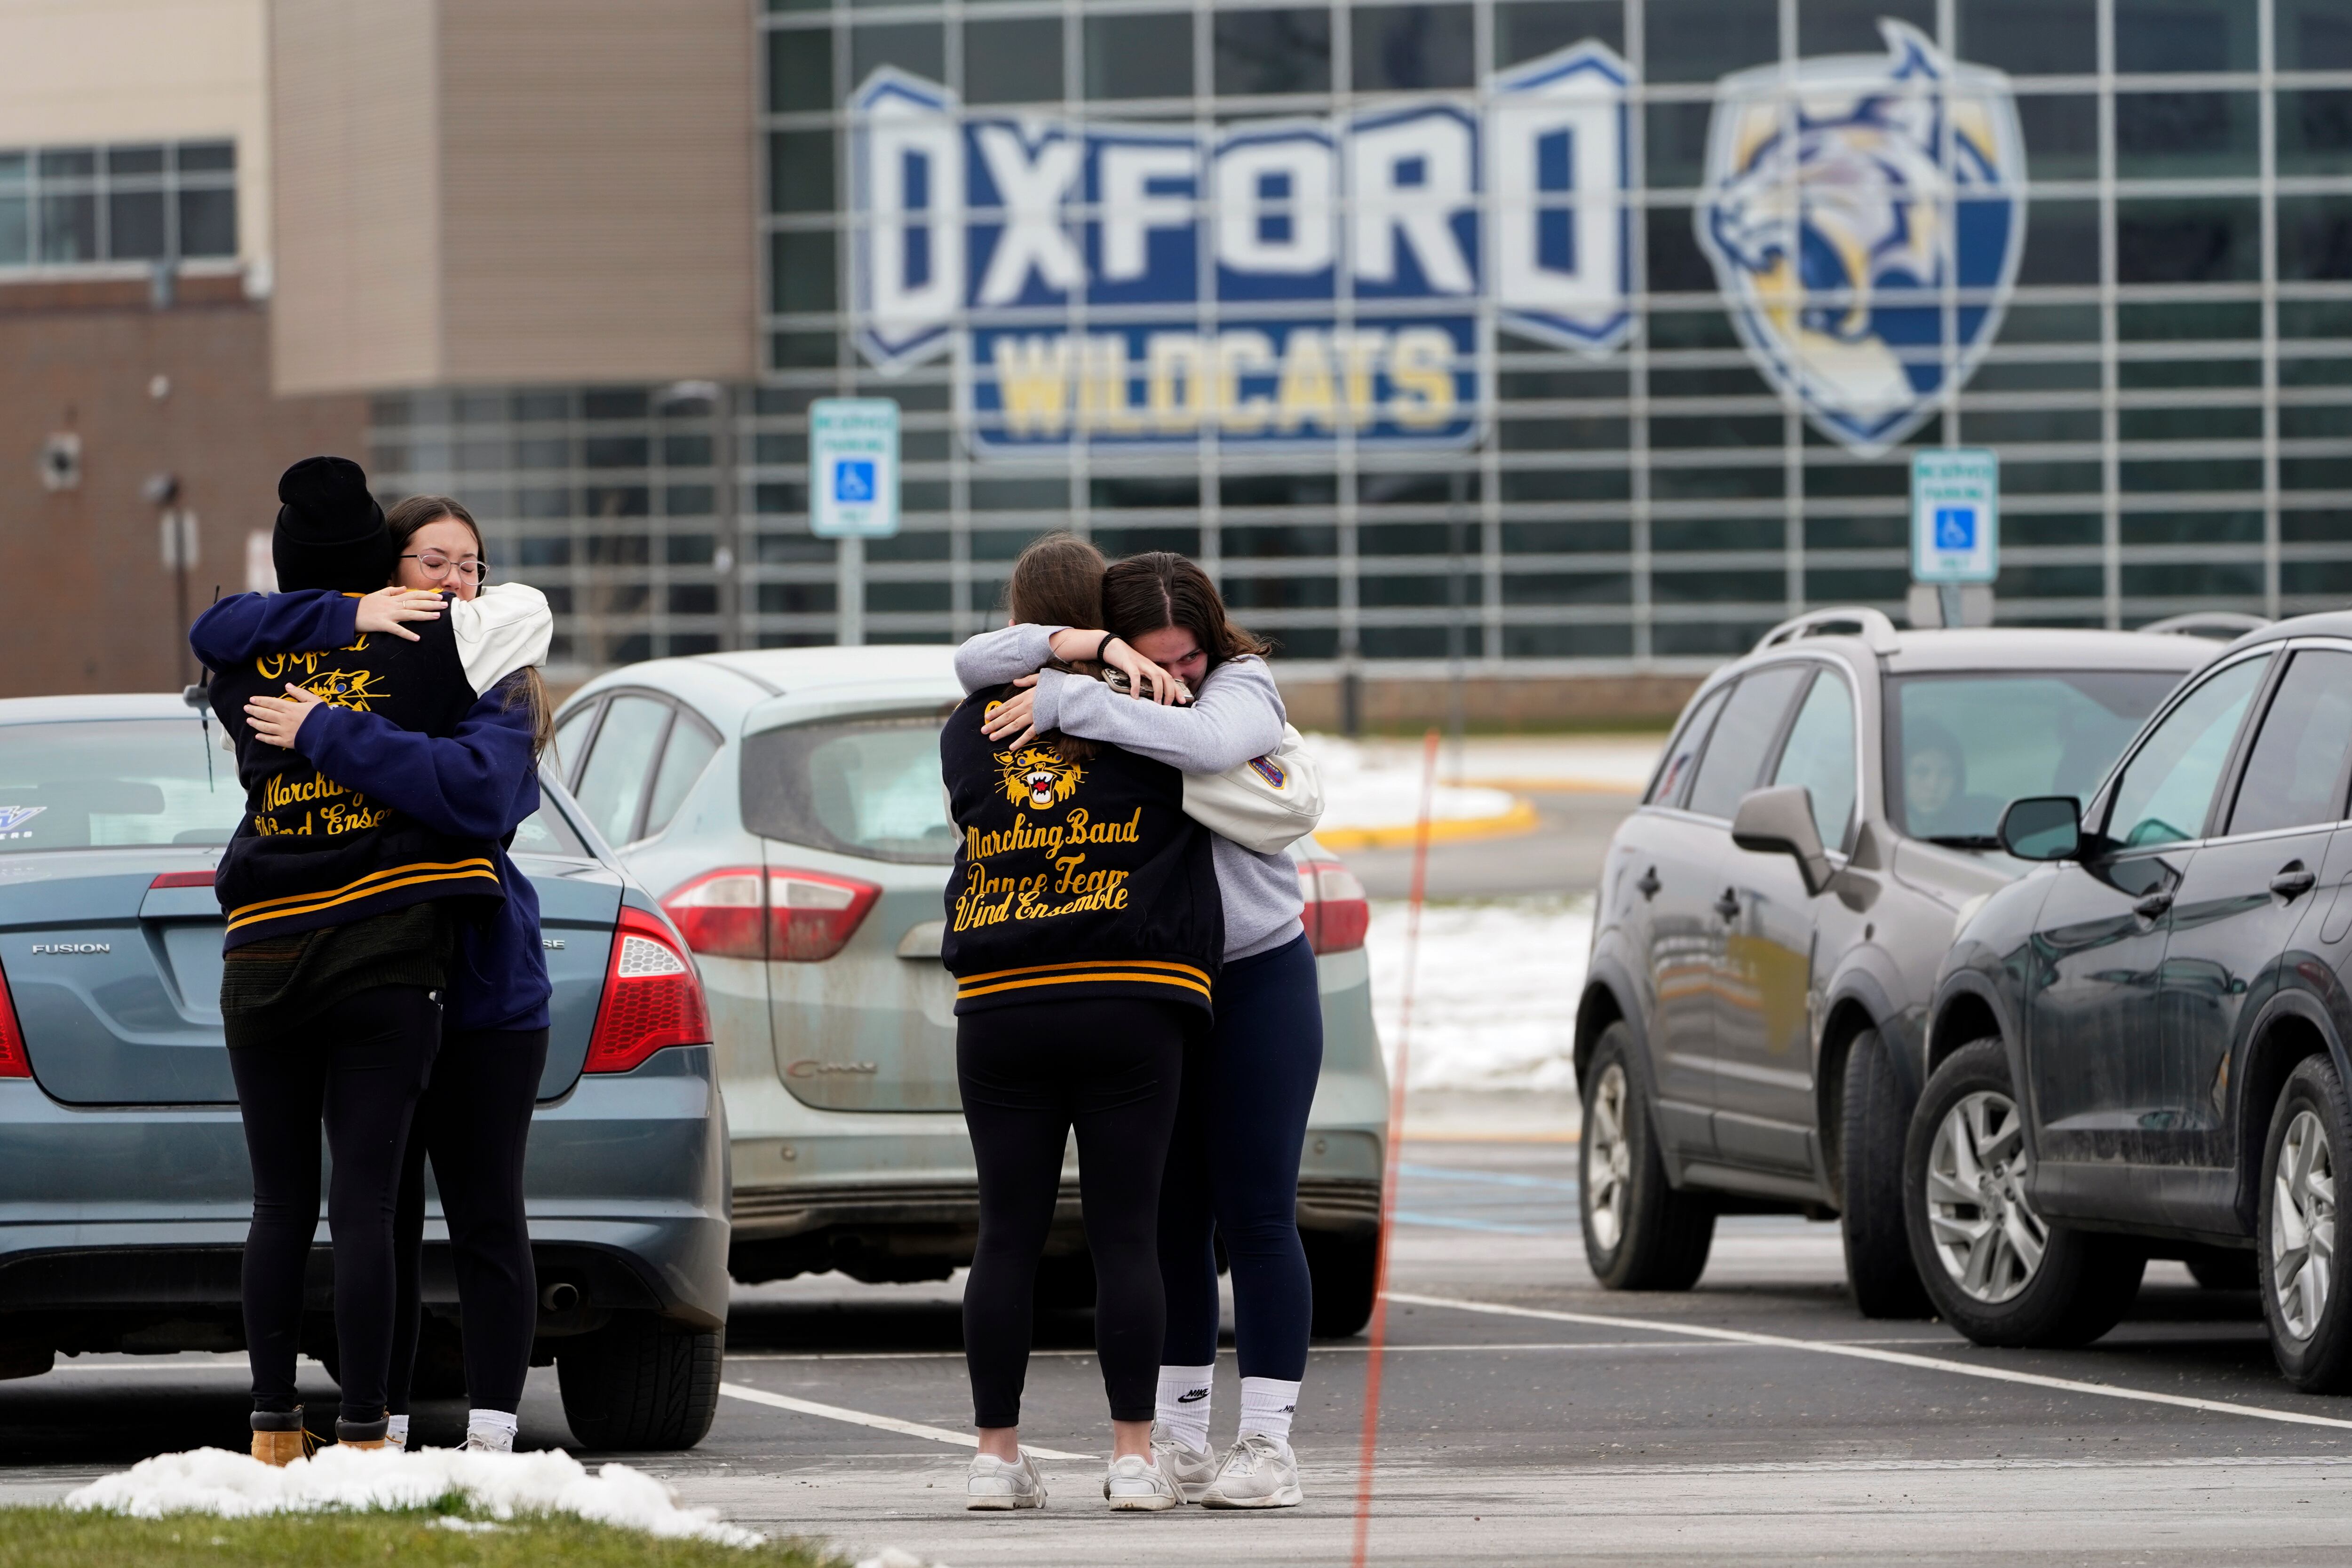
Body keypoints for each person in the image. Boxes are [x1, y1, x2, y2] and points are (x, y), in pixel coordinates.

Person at [188, 458, 549, 1465]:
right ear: (388, 571)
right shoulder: (370, 644)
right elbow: (219, 630)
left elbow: (479, 793)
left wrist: (325, 728)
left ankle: (490, 1432)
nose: (453, 581)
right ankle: (375, 1422)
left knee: (484, 1212)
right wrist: (346, 621)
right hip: (381, 965)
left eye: (470, 565)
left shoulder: (487, 673)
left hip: (478, 984)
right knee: (375, 1212)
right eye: (432, 560)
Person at [954, 547, 1318, 1509]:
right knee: (1168, 1219)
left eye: (1186, 655)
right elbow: (969, 662)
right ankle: (1183, 1434)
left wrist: (1076, 700)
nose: (1176, 674)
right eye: (1153, 654)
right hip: (1159, 986)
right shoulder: (1108, 675)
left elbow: (1204, 742)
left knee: (1258, 1208)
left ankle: (1269, 1442)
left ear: (1213, 639)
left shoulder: (1242, 684)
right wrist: (1090, 652)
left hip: (1256, 974)